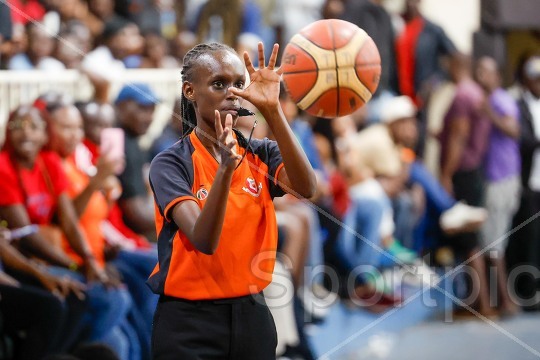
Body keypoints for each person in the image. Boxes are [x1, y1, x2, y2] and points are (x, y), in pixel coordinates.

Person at [147, 42, 316, 359]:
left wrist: (273, 110)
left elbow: (307, 188)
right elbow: (203, 239)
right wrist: (226, 169)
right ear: (190, 91)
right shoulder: (171, 163)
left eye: (239, 83)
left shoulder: (260, 152)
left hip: (252, 314)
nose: (232, 92)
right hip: (189, 325)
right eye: (218, 83)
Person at [475, 56, 521, 316]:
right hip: (494, 178)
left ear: (496, 76)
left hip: (501, 179)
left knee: (494, 244)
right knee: (493, 243)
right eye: (478, 71)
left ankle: (504, 300)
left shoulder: (500, 100)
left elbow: (514, 130)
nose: (481, 76)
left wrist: (490, 113)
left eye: (486, 72)